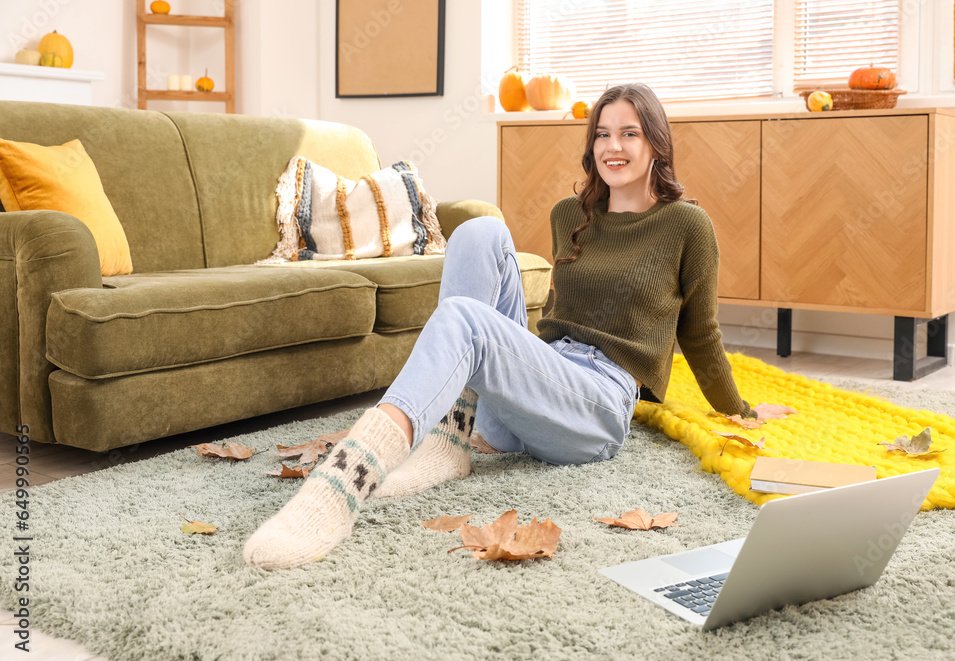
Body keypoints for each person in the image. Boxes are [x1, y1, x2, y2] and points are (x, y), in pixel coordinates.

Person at [243, 83, 756, 570]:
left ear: (656, 144)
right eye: (602, 134)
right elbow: (560, 318)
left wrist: (740, 409)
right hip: (535, 391)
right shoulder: (570, 215)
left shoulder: (688, 225)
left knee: (465, 319)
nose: (612, 146)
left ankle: (342, 485)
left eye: (629, 133)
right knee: (480, 231)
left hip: (596, 407)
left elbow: (700, 332)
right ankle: (452, 438)